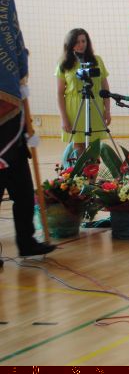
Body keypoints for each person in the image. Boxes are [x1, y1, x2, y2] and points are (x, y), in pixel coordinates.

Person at [1, 13, 55, 255]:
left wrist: (26, 133)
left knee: (24, 198)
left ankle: (27, 243)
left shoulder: (15, 89)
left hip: (17, 151)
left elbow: (18, 114)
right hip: (1, 153)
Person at [55, 28, 110, 156]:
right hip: (74, 109)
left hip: (95, 107)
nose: (81, 45)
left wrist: (107, 110)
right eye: (77, 42)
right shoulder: (64, 64)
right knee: (78, 147)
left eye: (83, 41)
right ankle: (80, 169)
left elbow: (105, 89)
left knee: (94, 147)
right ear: (70, 44)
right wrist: (64, 118)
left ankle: (92, 170)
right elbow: (59, 93)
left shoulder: (97, 60)